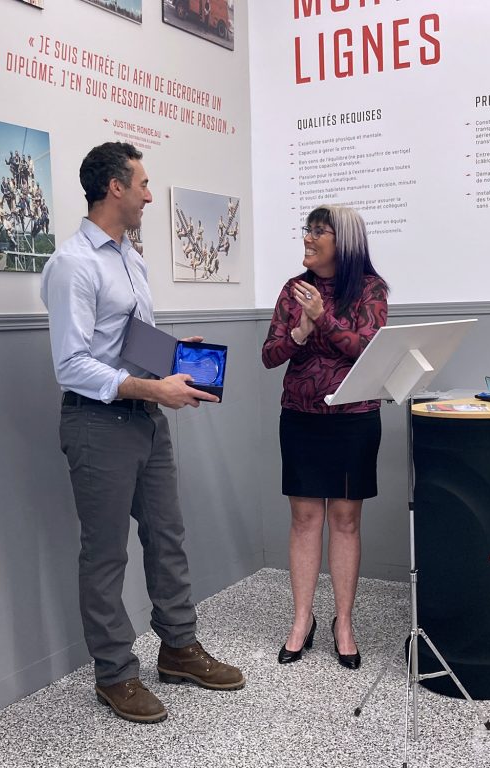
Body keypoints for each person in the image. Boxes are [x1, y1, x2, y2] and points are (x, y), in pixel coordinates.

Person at [40, 141, 244, 724]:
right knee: (105, 555)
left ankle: (178, 649)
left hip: (144, 422)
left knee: (168, 537)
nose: (151, 195)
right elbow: (72, 364)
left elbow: (129, 341)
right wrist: (155, 389)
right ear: (115, 188)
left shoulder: (132, 258)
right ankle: (115, 675)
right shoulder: (73, 264)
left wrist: (178, 360)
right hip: (95, 423)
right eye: (144, 184)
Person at [261, 204, 389, 670]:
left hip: (353, 416)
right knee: (303, 519)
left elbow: (368, 348)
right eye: (308, 229)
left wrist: (326, 318)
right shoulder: (293, 290)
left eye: (320, 231)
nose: (309, 238)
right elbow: (269, 355)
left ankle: (344, 623)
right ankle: (302, 620)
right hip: (300, 416)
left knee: (345, 519)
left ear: (344, 241)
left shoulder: (371, 290)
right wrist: (299, 330)